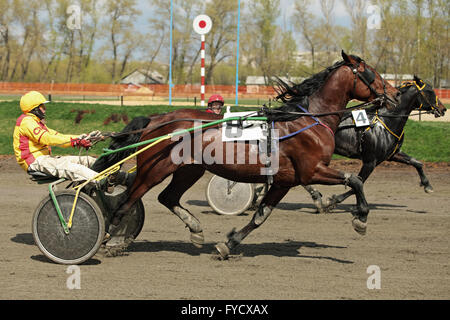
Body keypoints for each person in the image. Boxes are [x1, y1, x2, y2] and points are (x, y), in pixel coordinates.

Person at [13, 91, 104, 183]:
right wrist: (75, 142)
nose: (45, 109)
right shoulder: (27, 122)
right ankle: (102, 181)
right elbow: (47, 138)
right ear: (34, 109)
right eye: (42, 107)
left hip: (45, 159)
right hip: (35, 162)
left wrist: (81, 138)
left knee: (87, 161)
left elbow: (57, 136)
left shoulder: (36, 122)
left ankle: (112, 175)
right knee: (75, 168)